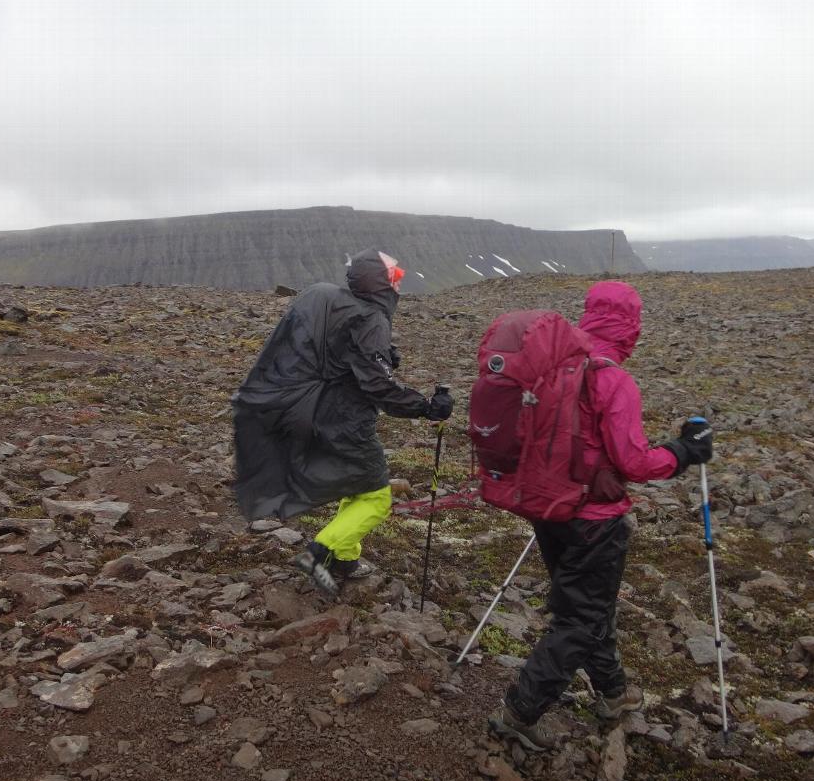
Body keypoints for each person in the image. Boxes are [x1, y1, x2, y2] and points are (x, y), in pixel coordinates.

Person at [488, 280, 713, 750]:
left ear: (589, 314)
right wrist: (683, 452)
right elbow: (634, 463)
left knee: (589, 609)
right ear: (631, 326)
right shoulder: (613, 378)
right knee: (581, 618)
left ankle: (612, 692)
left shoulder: (554, 364)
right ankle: (519, 712)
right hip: (594, 520)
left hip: (548, 508)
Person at [232, 248, 453, 595]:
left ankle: (345, 557)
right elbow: (377, 385)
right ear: (379, 283)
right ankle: (317, 554)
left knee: (358, 486)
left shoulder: (343, 306)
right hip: (344, 421)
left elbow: (343, 352)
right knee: (377, 499)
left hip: (318, 412)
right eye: (394, 276)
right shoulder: (370, 319)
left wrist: (384, 355)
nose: (398, 281)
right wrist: (425, 407)